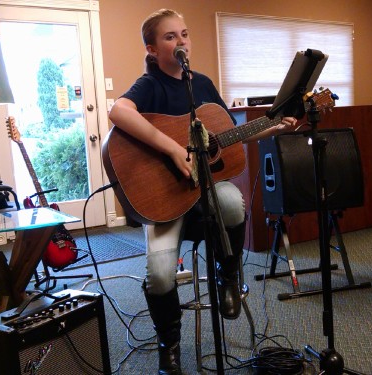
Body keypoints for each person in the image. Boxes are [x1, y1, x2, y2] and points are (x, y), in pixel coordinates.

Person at [108, 9, 298, 374]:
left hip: (205, 194)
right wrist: (172, 148)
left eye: (184, 34)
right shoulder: (149, 86)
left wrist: (274, 127)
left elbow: (228, 131)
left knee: (231, 199)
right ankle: (170, 346)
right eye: (169, 37)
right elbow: (118, 111)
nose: (181, 42)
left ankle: (229, 277)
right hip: (163, 200)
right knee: (161, 274)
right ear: (151, 48)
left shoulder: (203, 85)